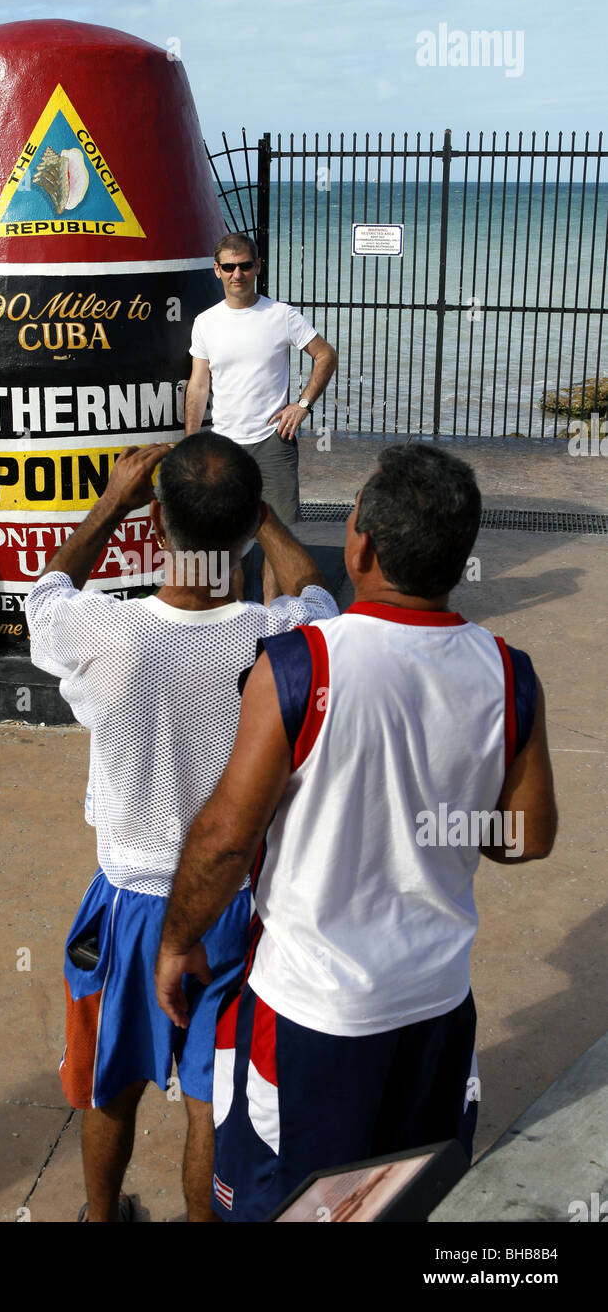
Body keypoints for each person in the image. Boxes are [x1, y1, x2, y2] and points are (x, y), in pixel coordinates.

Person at [156, 443, 558, 1222]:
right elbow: (525, 838)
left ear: (362, 546)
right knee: (400, 1206)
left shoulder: (304, 663)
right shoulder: (509, 673)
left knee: (284, 1208)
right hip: (436, 1010)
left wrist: (177, 941)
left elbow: (223, 841)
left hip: (311, 1015)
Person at [24, 431, 339, 1222]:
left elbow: (45, 597)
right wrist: (262, 517)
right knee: (211, 1101)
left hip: (131, 901)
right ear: (244, 526)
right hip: (235, 907)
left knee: (109, 1083)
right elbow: (315, 592)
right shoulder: (282, 643)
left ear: (157, 521)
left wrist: (109, 503)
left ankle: (102, 1218)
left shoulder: (108, 632)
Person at [185, 233, 337, 600]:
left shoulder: (281, 316)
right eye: (230, 267)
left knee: (277, 536)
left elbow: (326, 355)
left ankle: (270, 613)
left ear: (257, 267)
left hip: (274, 442)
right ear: (217, 270)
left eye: (245, 266)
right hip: (224, 445)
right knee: (227, 539)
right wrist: (191, 443)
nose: (238, 274)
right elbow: (198, 385)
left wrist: (302, 405)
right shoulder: (205, 322)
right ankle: (238, 614)